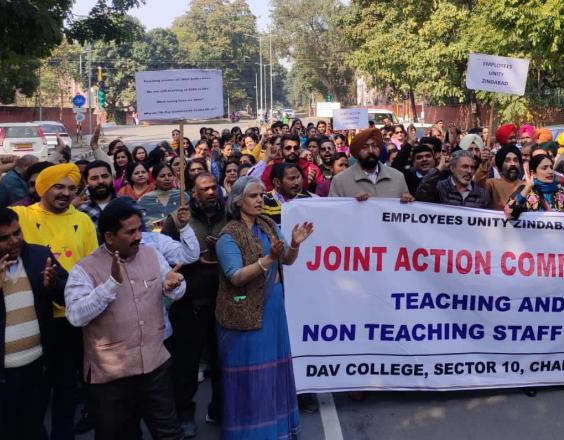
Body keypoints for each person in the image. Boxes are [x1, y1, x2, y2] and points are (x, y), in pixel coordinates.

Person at [0, 158, 98, 440]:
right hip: (13, 345)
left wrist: (59, 287)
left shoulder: (77, 224)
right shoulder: (20, 215)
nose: (66, 193)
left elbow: (89, 270)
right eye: (58, 186)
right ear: (42, 188)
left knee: (65, 393)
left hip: (66, 322)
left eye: (71, 188)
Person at [65, 198, 185, 439]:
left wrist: (174, 286)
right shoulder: (84, 269)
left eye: (139, 229)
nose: (139, 236)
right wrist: (110, 285)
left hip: (155, 368)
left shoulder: (151, 255)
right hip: (111, 379)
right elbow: (76, 316)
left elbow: (175, 286)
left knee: (169, 434)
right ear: (109, 237)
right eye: (130, 232)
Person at [215, 177, 314, 439]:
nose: (260, 199)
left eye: (261, 194)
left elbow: (288, 261)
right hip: (244, 314)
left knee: (273, 370)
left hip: (273, 308)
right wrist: (268, 259)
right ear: (238, 202)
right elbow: (235, 276)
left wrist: (294, 243)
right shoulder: (228, 235)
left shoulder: (268, 224)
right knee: (250, 375)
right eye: (253, 196)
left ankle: (279, 430)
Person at [0, 207, 66, 440]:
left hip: (36, 369)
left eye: (17, 233)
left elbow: (68, 297)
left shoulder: (38, 255)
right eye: (3, 238)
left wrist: (54, 285)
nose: (13, 241)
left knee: (33, 430)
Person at [163, 172, 226, 432]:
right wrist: (188, 259)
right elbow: (164, 258)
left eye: (214, 187)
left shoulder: (230, 215)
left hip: (223, 302)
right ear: (194, 193)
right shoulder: (177, 220)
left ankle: (219, 411)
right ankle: (185, 416)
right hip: (189, 305)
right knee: (186, 367)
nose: (211, 193)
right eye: (205, 189)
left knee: (222, 364)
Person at [329, 128, 412, 201]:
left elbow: (405, 214)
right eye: (365, 147)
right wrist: (353, 204)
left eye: (375, 146)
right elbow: (334, 214)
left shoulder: (397, 177)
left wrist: (409, 202)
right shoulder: (340, 181)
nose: (371, 151)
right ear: (357, 151)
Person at [506, 153, 564, 220]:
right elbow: (509, 213)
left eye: (551, 167)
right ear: (533, 173)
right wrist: (528, 186)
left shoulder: (562, 189)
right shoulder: (524, 191)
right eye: (544, 168)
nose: (550, 171)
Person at [416, 150, 490, 208]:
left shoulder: (482, 194)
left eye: (472, 167)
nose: (469, 171)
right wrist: (439, 168)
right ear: (452, 168)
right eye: (465, 167)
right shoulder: (440, 188)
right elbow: (422, 195)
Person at [139, 163, 190, 230]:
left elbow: (190, 220)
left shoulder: (182, 195)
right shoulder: (145, 200)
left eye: (170, 175)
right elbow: (144, 225)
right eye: (162, 176)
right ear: (154, 180)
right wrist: (167, 225)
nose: (167, 178)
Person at [474, 144, 523, 211]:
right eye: (507, 160)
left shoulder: (527, 186)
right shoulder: (492, 183)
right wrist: (484, 163)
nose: (513, 164)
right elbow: (479, 183)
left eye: (516, 160)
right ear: (500, 165)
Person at [78, 161, 116, 231]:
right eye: (94, 178)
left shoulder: (126, 204)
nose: (101, 181)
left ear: (112, 178)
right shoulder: (79, 210)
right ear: (86, 182)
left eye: (105, 176)